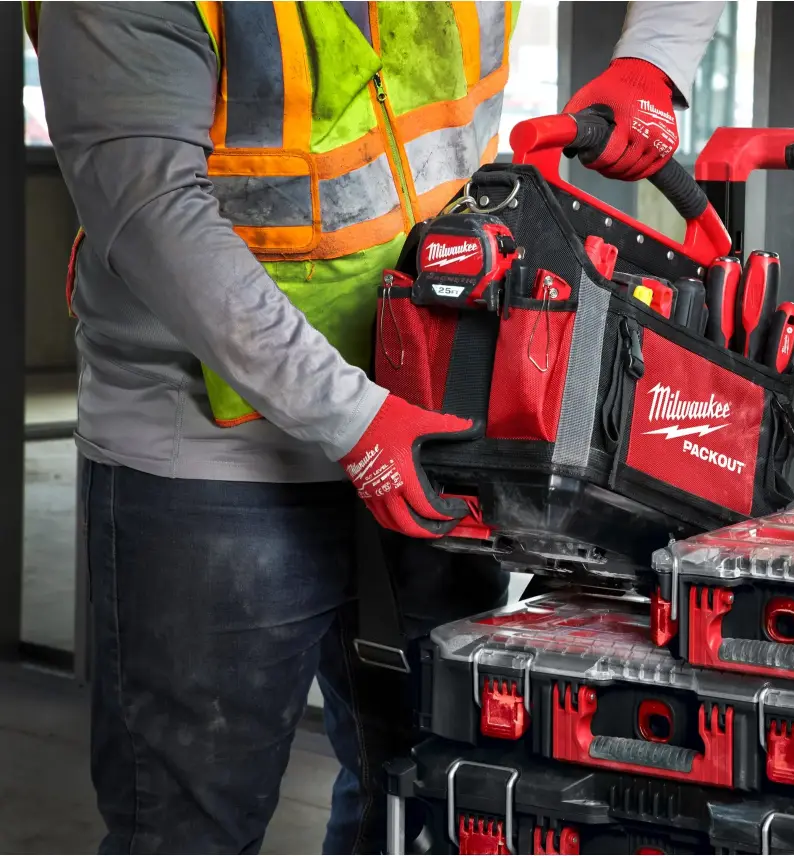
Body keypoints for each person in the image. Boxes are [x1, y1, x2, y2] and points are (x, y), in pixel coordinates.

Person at [28, 1, 724, 852]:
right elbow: (151, 215)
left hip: (436, 419)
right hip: (214, 447)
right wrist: (356, 420)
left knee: (431, 802)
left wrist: (652, 61)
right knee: (189, 829)